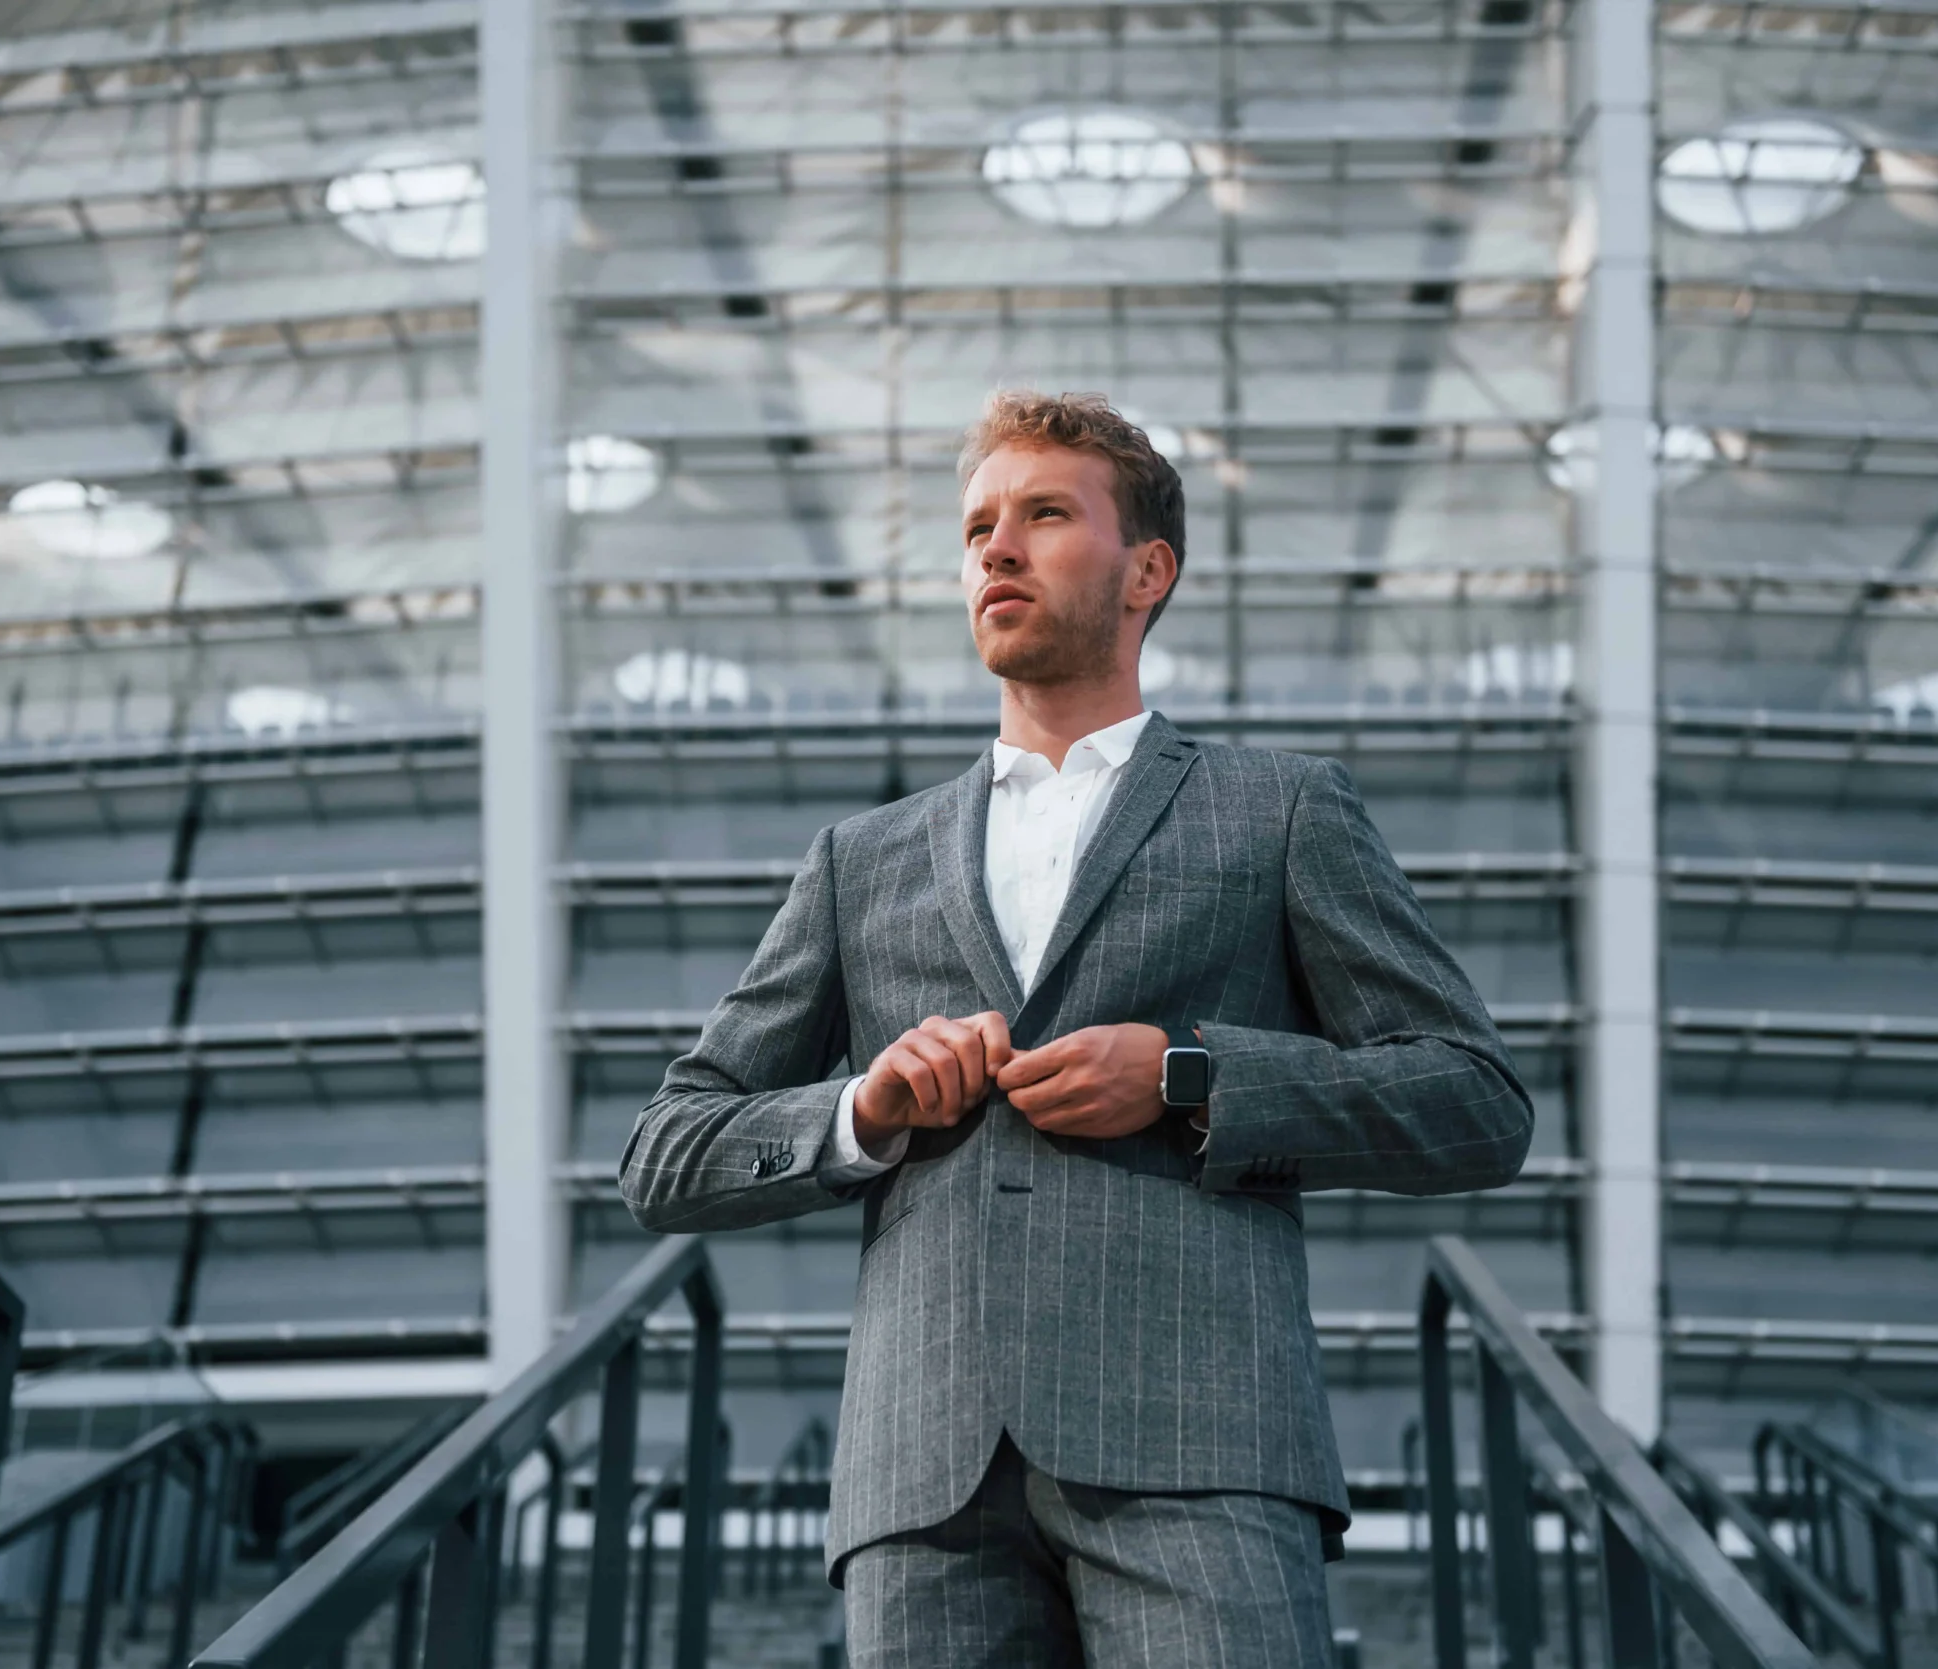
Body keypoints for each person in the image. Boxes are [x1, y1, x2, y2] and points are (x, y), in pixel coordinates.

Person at [621, 389, 1534, 1665]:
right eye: (978, 525)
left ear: (1146, 570)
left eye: (1045, 515)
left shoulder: (1281, 811)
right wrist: (861, 1110)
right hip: (919, 1481)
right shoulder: (859, 859)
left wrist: (1187, 1073)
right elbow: (666, 1152)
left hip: (1202, 1445)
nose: (996, 547)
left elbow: (1475, 1101)